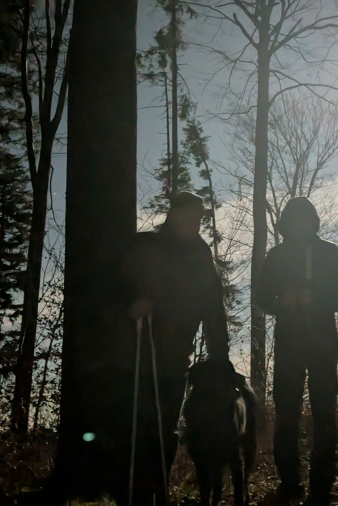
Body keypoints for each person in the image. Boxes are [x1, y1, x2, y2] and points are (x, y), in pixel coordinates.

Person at [120, 191, 231, 505]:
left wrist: (220, 357)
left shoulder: (201, 254)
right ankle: (136, 495)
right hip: (136, 352)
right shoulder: (146, 244)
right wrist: (136, 300)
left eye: (200, 217)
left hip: (175, 353)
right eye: (191, 215)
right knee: (137, 424)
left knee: (165, 426)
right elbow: (121, 282)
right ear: (175, 215)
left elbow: (213, 307)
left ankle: (158, 490)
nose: (197, 222)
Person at [258, 197, 338, 506]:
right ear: (287, 223)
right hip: (289, 341)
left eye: (306, 219)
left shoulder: (328, 252)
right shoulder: (276, 255)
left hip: (323, 340)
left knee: (324, 412)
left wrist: (316, 298)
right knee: (286, 412)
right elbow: (262, 296)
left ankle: (322, 485)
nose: (301, 225)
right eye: (295, 219)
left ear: (314, 221)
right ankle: (289, 484)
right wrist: (282, 302)